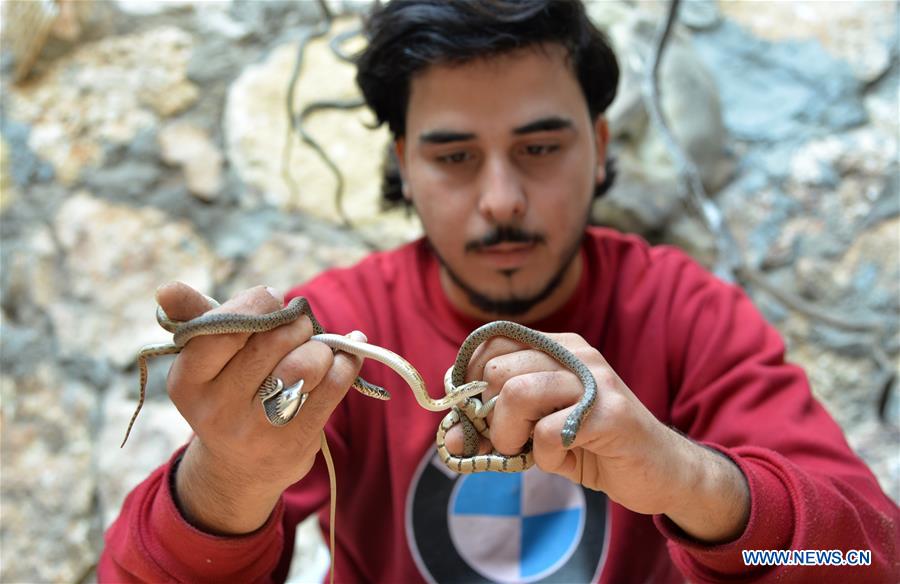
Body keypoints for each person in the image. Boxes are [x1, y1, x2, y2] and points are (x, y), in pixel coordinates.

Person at [100, 1, 899, 582]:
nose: (502, 200)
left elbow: (862, 561)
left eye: (540, 147)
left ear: (600, 147)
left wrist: (689, 481)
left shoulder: (688, 315)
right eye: (453, 158)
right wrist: (227, 478)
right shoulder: (338, 336)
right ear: (403, 164)